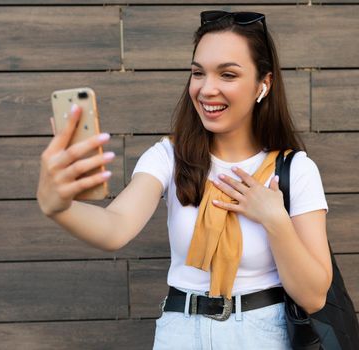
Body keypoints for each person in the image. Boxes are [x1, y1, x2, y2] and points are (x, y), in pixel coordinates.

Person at [37, 11, 332, 350]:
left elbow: (313, 297)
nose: (207, 89)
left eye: (228, 74)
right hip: (180, 333)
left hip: (261, 334)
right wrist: (58, 207)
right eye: (198, 73)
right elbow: (114, 227)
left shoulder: (295, 169)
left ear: (262, 85)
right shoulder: (168, 156)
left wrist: (274, 219)